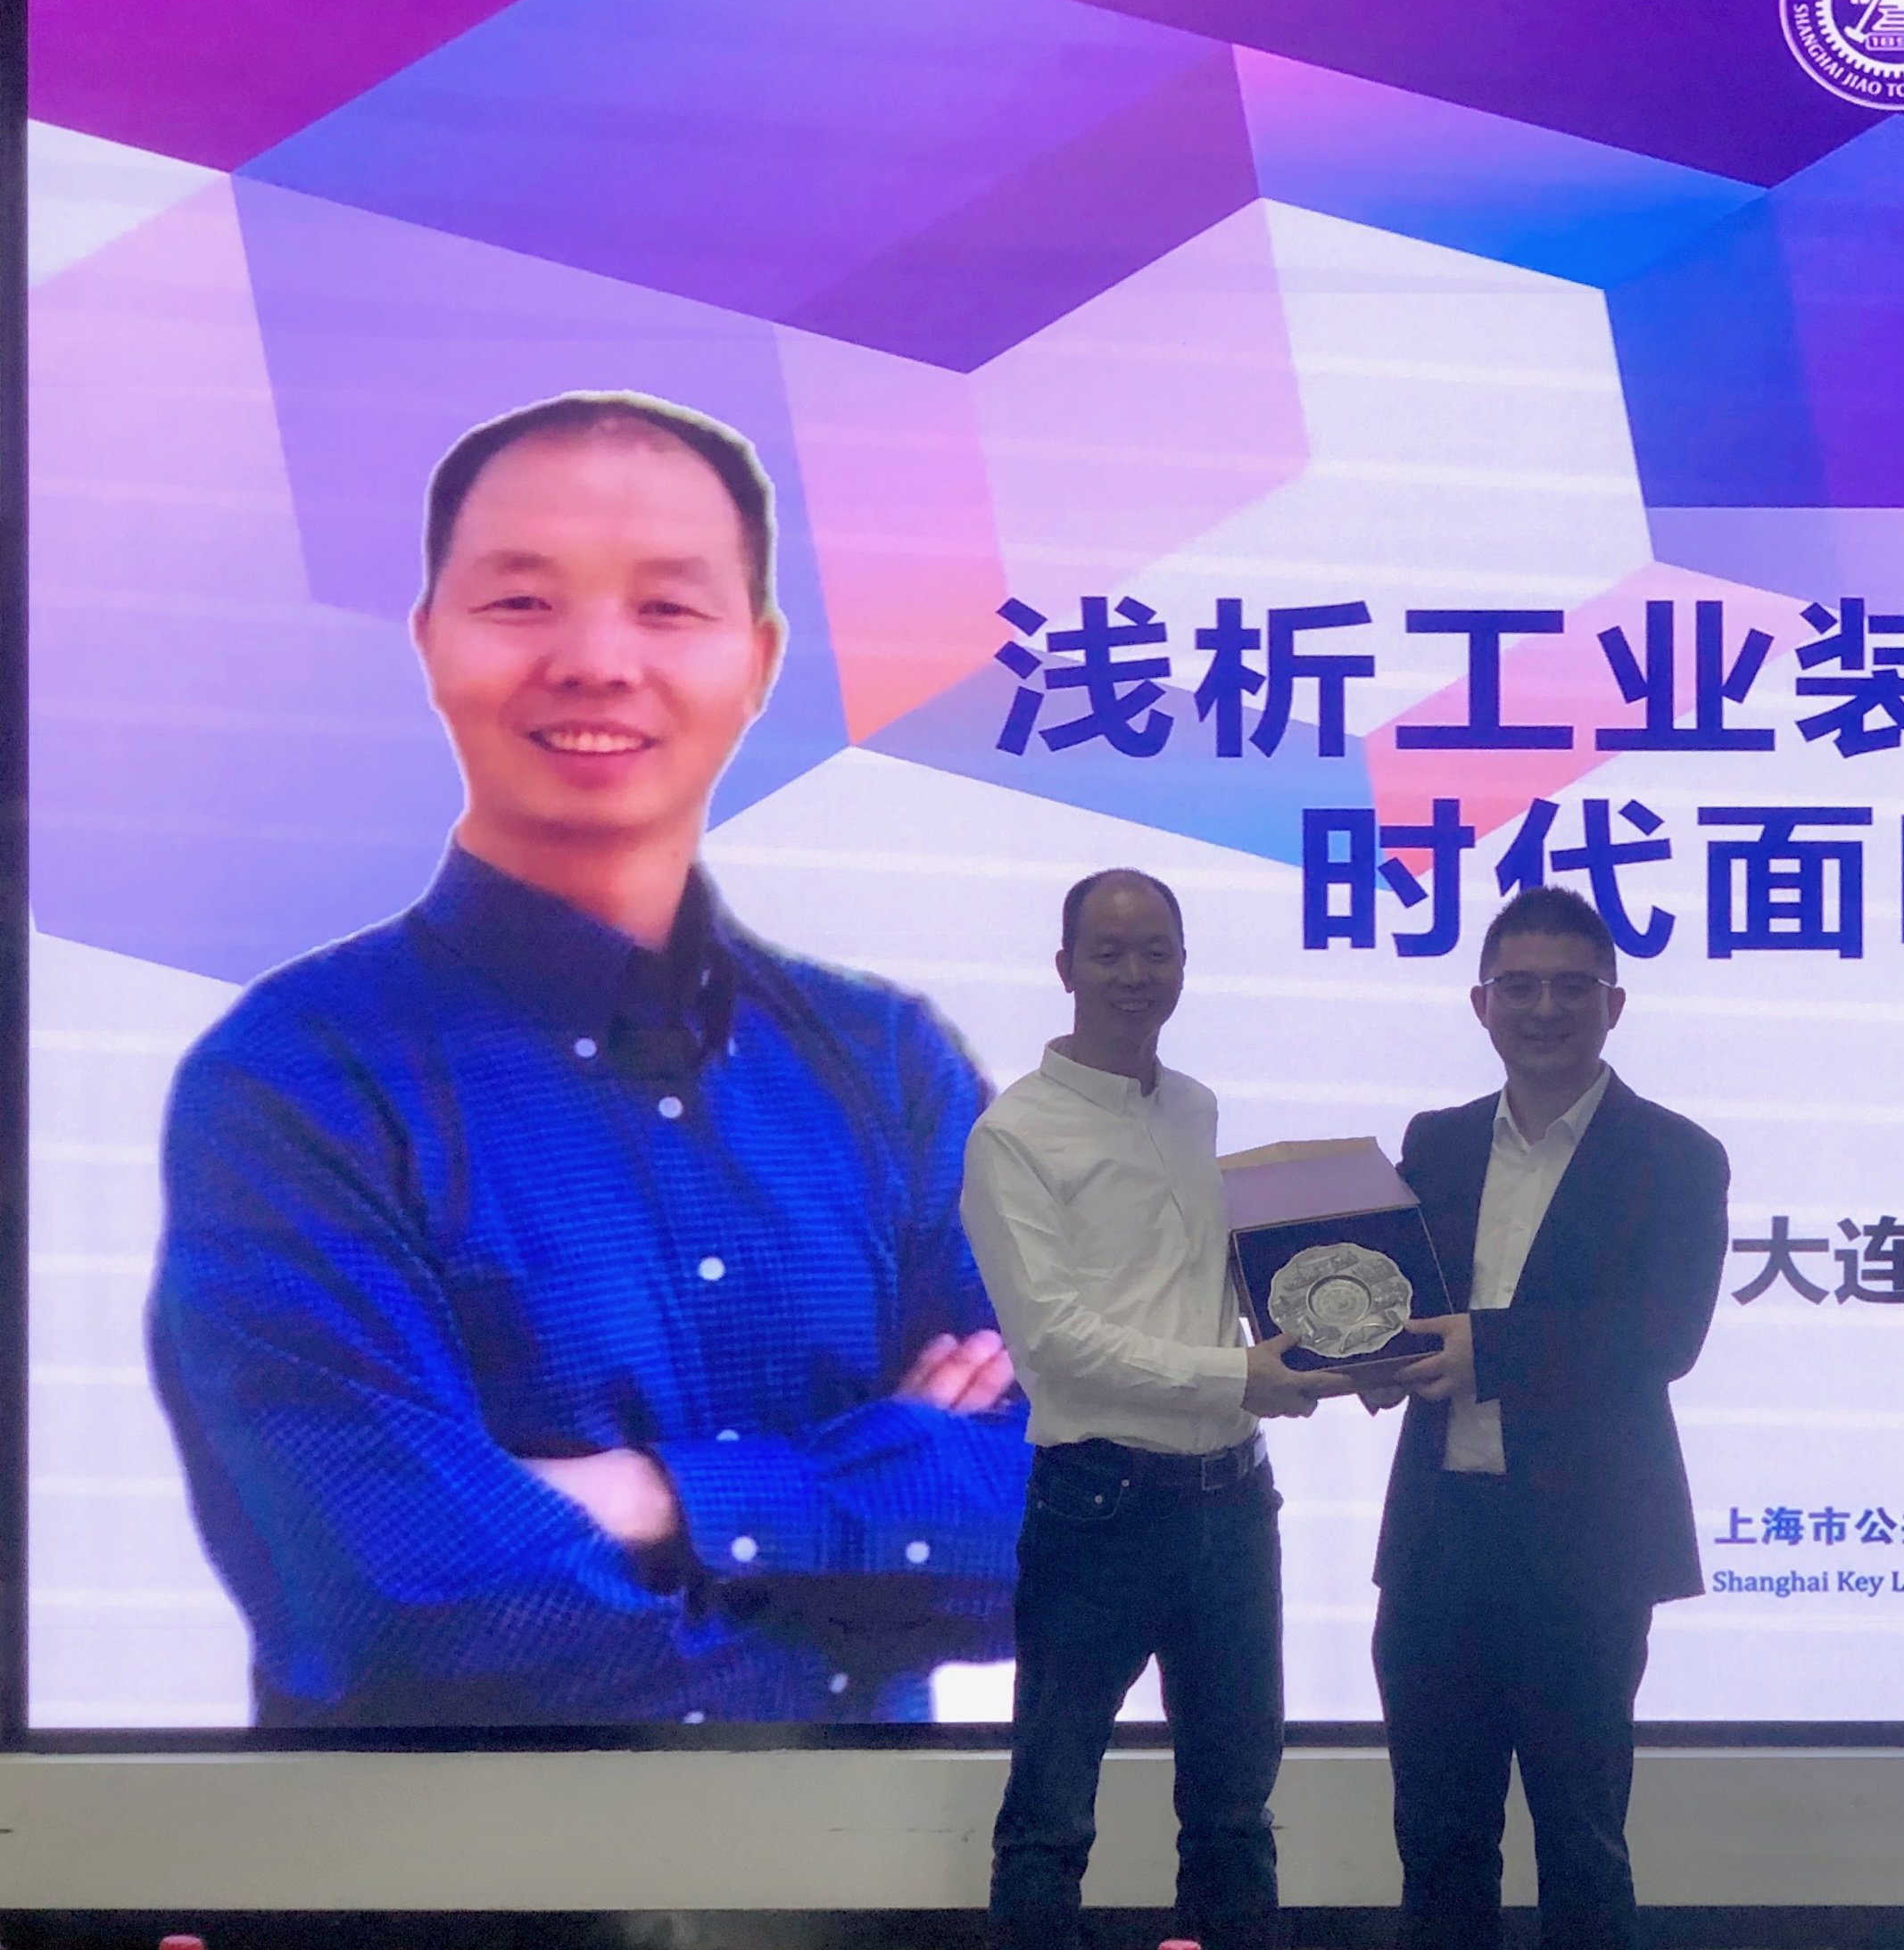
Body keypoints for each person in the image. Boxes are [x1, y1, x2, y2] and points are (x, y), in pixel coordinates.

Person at [149, 391, 1029, 1727]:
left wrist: (651, 1494)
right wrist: (866, 1534)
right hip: (460, 1868)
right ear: (429, 639)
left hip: (882, 1860)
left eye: (667, 606)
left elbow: (1084, 1516)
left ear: (759, 660)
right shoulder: (297, 1083)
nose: (597, 660)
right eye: (521, 602)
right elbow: (405, 1607)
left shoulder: (892, 1068)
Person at [961, 867, 1349, 1950]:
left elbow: (1202, 1285)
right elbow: (1054, 1341)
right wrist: (1238, 1375)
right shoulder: (1013, 1134)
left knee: (1234, 1807)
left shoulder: (1192, 1107)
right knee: (1050, 1814)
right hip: (1101, 1502)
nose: (1134, 973)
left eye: (1156, 950)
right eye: (1109, 951)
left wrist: (1335, 1342)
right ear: (1064, 967)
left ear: (1183, 962)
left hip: (1233, 1498)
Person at [1362, 884, 1731, 1950]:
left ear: (1613, 1004)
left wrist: (1486, 1346)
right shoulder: (1435, 1143)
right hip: (1439, 1544)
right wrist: (1365, 1357)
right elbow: (1397, 1301)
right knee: (1436, 1848)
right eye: (1518, 985)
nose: (1544, 1007)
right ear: (1480, 1002)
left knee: (1581, 1847)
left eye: (1571, 987)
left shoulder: (1675, 1154)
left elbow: (1662, 1334)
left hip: (1585, 1554)